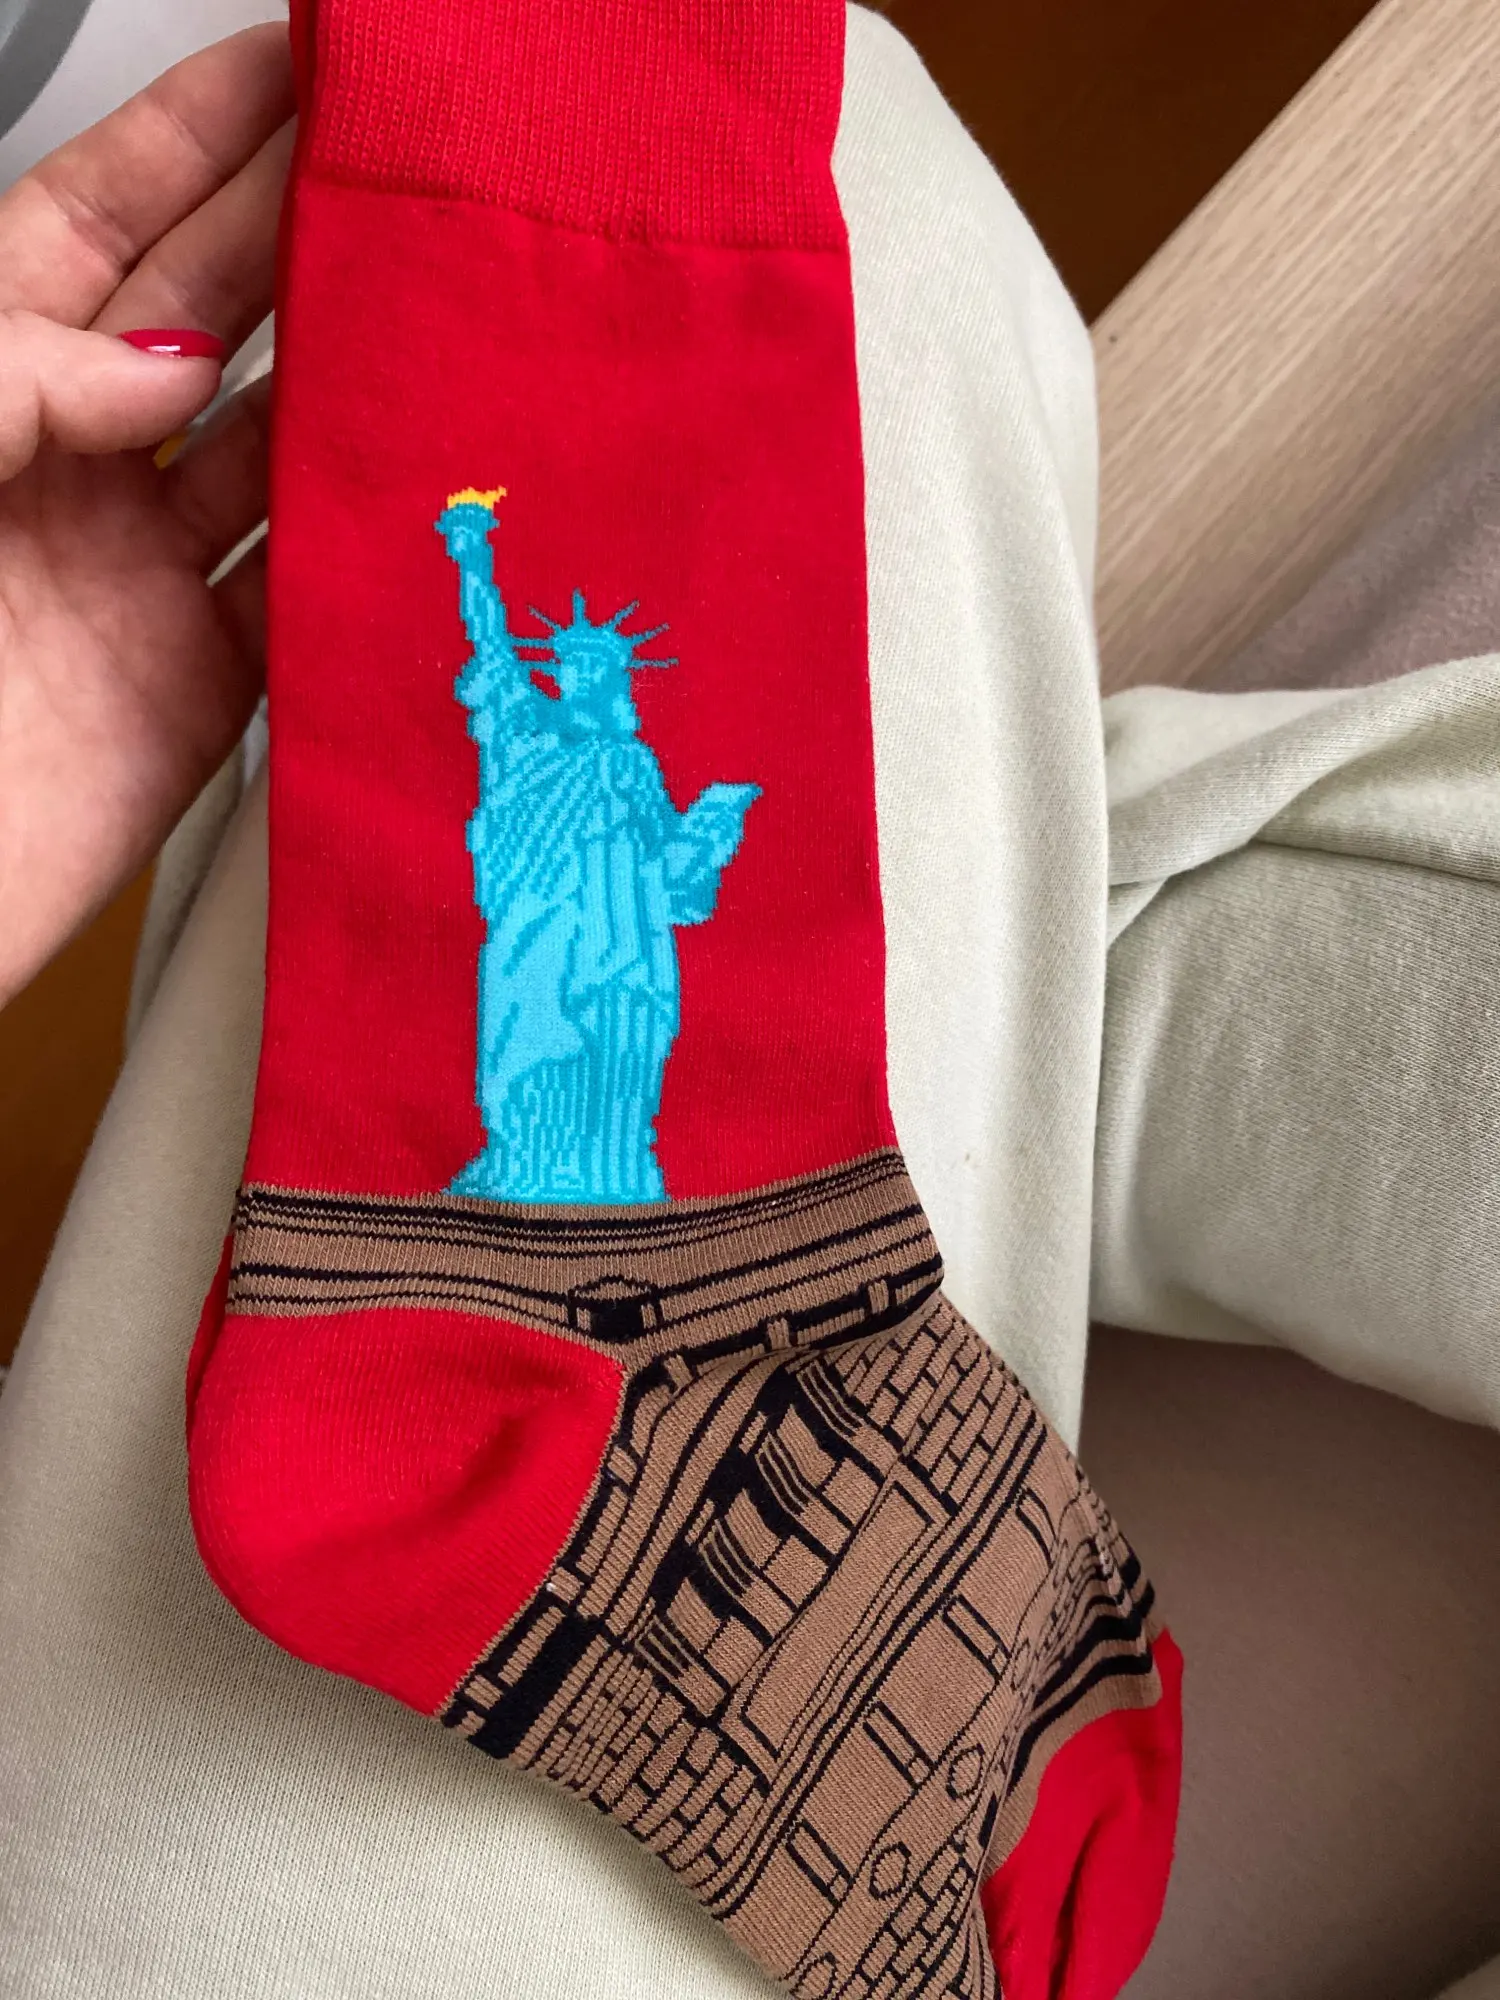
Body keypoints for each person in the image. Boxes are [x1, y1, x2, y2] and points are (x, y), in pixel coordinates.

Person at [0, 12, 1496, 2000]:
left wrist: (692, 826)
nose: (605, 682)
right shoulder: (549, 728)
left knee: (851, 158)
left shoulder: (601, 751)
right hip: (571, 1034)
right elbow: (504, 681)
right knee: (818, 140)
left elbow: (662, 855)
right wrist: (481, 567)